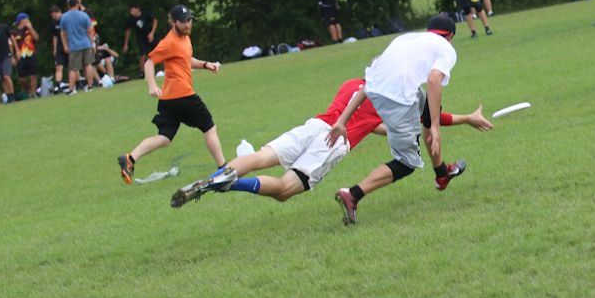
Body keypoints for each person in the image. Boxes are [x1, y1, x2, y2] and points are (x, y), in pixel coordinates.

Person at [171, 79, 492, 207]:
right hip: (333, 141)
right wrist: (467, 117)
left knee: (260, 156)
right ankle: (229, 185)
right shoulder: (391, 99)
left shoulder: (353, 84)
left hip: (313, 125)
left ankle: (215, 177)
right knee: (283, 190)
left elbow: (368, 122)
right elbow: (433, 118)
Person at [327, 13, 469, 226]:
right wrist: (435, 127)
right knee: (406, 163)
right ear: (450, 36)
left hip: (380, 91)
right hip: (397, 99)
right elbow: (433, 80)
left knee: (429, 107)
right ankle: (353, 194)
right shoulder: (446, 48)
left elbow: (370, 83)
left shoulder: (407, 39)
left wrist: (341, 121)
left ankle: (442, 173)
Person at [117, 5, 226, 185]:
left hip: (169, 100)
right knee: (209, 127)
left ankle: (130, 158)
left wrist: (206, 65)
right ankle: (224, 169)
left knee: (164, 138)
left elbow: (186, 59)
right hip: (183, 95)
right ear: (174, 22)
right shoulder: (169, 42)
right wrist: (152, 85)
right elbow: (149, 63)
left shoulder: (185, 38)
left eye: (189, 20)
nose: (188, 24)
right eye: (183, 21)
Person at [59, 0, 98, 93]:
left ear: (69, 5)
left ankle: (71, 89)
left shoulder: (64, 17)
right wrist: (92, 43)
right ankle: (90, 86)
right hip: (86, 43)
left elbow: (63, 33)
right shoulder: (84, 15)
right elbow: (90, 30)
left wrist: (65, 45)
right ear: (77, 4)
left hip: (74, 46)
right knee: (88, 65)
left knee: (73, 68)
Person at [11, 12, 40, 97]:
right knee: (21, 78)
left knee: (33, 75)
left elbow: (36, 38)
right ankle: (28, 90)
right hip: (20, 56)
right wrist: (13, 56)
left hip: (31, 54)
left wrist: (31, 28)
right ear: (22, 20)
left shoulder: (29, 30)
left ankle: (33, 93)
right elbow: (11, 45)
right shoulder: (14, 32)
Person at [123, 4, 157, 73]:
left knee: (157, 51)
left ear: (137, 9)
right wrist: (126, 44)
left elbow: (155, 21)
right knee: (143, 55)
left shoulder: (145, 14)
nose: (131, 13)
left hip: (150, 34)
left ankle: (164, 68)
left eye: (133, 10)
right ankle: (142, 72)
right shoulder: (131, 19)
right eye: (130, 11)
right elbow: (128, 30)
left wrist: (152, 33)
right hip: (141, 37)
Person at [48, 6, 68, 90]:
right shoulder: (54, 23)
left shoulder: (66, 19)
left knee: (72, 66)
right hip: (59, 47)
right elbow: (55, 36)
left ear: (59, 12)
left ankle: (78, 82)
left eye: (55, 15)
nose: (54, 17)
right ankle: (58, 84)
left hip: (68, 45)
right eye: (52, 16)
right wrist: (55, 49)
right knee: (58, 66)